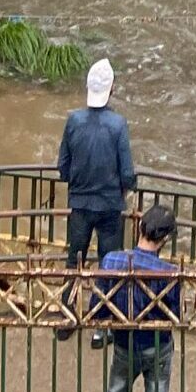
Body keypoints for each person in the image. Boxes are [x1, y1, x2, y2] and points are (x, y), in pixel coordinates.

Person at [57, 59, 138, 332]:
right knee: (108, 263)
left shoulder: (73, 121)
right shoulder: (118, 125)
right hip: (110, 206)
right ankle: (102, 323)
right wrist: (127, 187)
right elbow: (127, 171)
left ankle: (66, 317)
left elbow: (63, 167)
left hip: (80, 204)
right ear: (111, 89)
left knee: (74, 260)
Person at [95, 203, 181, 392]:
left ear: (139, 226)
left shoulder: (111, 261)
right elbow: (174, 316)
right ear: (165, 239)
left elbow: (97, 308)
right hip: (158, 345)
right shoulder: (170, 273)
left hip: (124, 342)